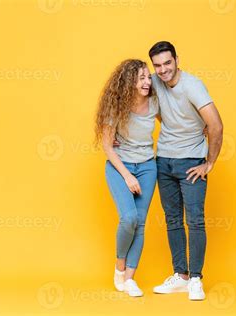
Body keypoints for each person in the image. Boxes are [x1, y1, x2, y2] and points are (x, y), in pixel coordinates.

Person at [149, 41, 224, 301]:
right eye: (157, 65)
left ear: (177, 60)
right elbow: (132, 100)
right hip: (163, 161)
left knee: (195, 220)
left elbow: (215, 125)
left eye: (167, 63)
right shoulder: (154, 81)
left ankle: (195, 279)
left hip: (191, 162)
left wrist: (209, 163)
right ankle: (179, 276)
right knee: (172, 220)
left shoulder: (193, 85)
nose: (163, 70)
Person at [95, 59, 159, 297]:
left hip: (147, 167)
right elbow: (107, 146)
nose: (146, 82)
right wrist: (128, 176)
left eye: (147, 77)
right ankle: (119, 266)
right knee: (129, 218)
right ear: (129, 82)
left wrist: (198, 127)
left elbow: (173, 121)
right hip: (119, 166)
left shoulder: (154, 103)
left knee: (140, 223)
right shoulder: (116, 106)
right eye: (141, 78)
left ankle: (130, 280)